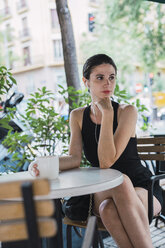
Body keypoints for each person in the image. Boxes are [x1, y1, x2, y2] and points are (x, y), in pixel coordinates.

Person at [32, 54, 163, 248]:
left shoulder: (127, 112)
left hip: (142, 186)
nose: (107, 83)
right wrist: (42, 163)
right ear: (86, 82)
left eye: (111, 77)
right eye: (99, 77)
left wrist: (108, 114)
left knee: (109, 207)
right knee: (115, 188)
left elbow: (106, 162)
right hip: (104, 187)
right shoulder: (77, 116)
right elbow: (74, 158)